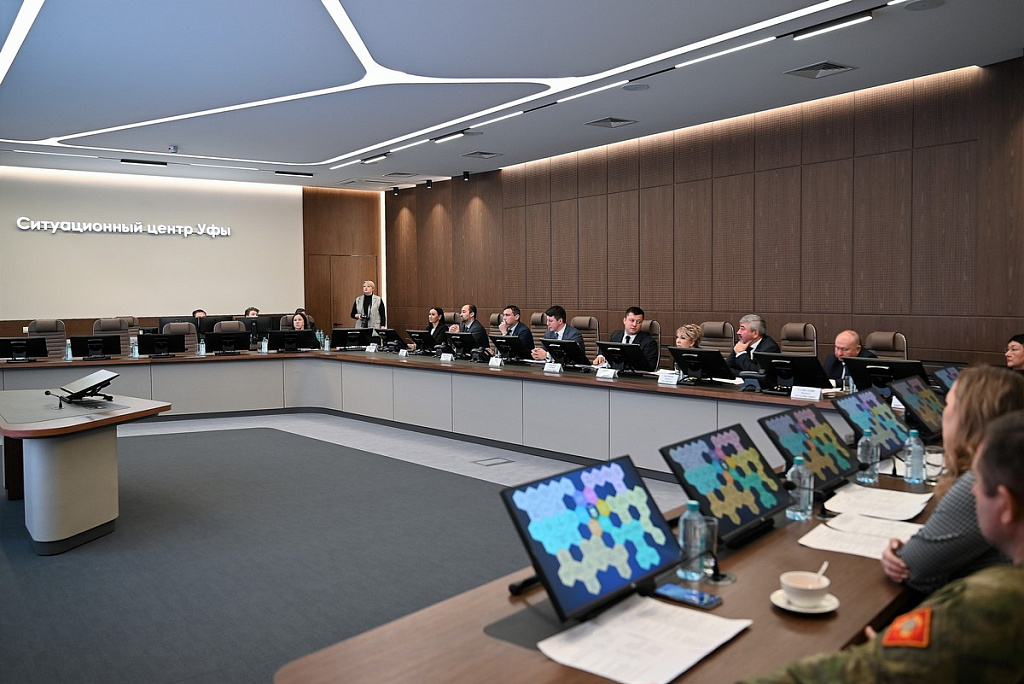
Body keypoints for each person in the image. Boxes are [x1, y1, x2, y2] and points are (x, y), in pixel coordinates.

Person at [738, 410, 1024, 684]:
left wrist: (891, 658)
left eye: (978, 481)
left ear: (1005, 506)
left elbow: (854, 672)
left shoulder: (987, 601)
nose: (972, 491)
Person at [880, 365, 1024, 594]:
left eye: (948, 405)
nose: (942, 413)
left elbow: (911, 568)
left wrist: (907, 552)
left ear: (968, 419)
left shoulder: (979, 481)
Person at [592, 306, 658, 371]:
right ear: (624, 320)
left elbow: (651, 367)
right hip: (615, 373)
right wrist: (600, 356)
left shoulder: (649, 342)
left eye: (638, 322)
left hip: (635, 375)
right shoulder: (616, 335)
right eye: (631, 320)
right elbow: (606, 349)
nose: (634, 324)